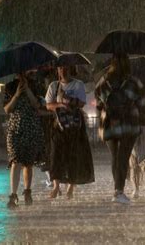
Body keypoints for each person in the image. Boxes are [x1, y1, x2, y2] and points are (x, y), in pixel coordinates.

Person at [95, 54, 145, 204]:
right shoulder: (133, 82)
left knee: (115, 157)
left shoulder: (104, 81)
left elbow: (98, 103)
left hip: (110, 124)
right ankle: (119, 191)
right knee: (123, 157)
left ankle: (117, 189)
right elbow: (143, 103)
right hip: (128, 124)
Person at [46, 66, 94, 199]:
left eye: (66, 68)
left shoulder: (78, 84)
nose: (63, 71)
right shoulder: (53, 86)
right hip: (58, 126)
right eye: (61, 68)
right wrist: (60, 105)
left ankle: (71, 187)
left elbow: (82, 103)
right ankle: (56, 186)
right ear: (57, 70)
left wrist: (67, 99)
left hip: (74, 126)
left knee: (73, 155)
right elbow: (48, 105)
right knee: (56, 155)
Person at [3, 71, 45, 208]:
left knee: (28, 163)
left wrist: (27, 89)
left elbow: (37, 105)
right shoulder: (9, 86)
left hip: (31, 128)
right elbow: (7, 109)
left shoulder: (35, 85)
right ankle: (13, 195)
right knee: (16, 160)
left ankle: (27, 191)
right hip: (15, 129)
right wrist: (16, 94)